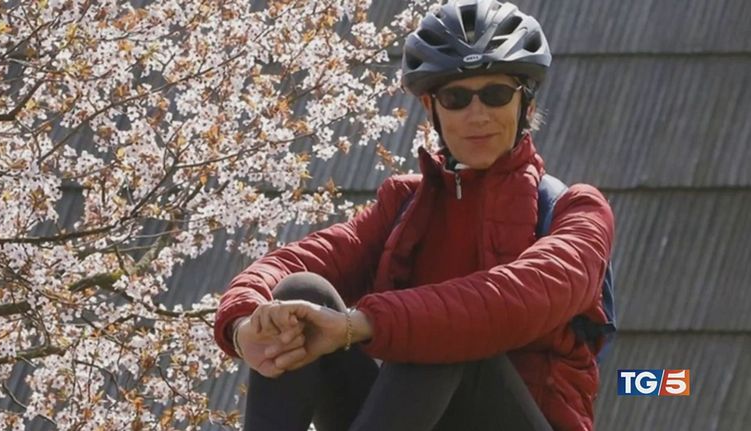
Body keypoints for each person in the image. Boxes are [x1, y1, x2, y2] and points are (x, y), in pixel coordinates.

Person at [214, 1, 615, 430]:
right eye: (456, 98)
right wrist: (244, 323)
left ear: (527, 106)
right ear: (431, 109)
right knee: (300, 293)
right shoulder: (403, 205)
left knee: (443, 329)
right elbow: (291, 264)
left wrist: (360, 324)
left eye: (496, 94)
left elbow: (516, 299)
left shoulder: (575, 211)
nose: (477, 115)